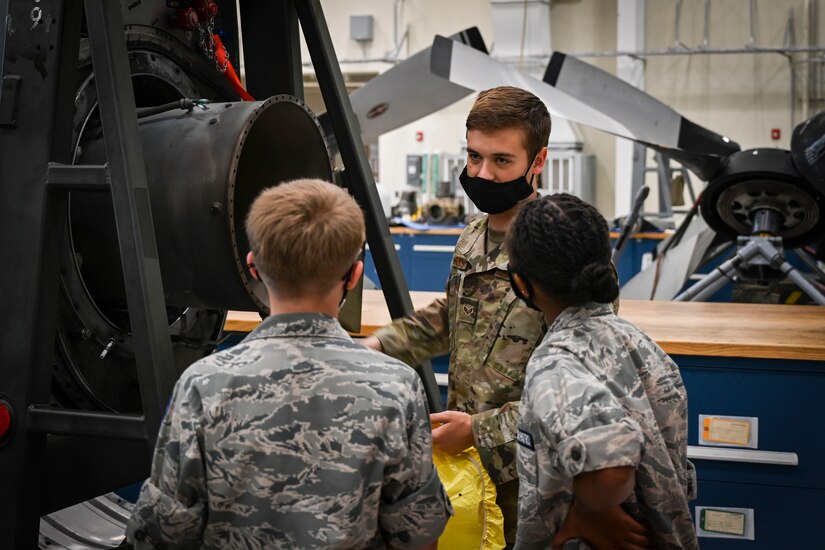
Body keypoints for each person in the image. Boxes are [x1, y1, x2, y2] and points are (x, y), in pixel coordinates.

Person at [126, 179, 451, 549]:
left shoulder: (202, 384)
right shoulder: (396, 386)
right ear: (355, 275)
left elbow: (163, 532)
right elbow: (419, 533)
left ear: (253, 267)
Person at [364, 86, 551, 545]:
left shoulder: (559, 247)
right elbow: (453, 316)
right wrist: (376, 349)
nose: (482, 174)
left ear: (538, 161)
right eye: (473, 157)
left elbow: (580, 395)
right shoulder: (473, 235)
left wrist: (479, 431)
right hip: (468, 471)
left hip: (534, 476)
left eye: (501, 161)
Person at [506, 193, 698, 550]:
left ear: (521, 283)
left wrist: (586, 512)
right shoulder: (639, 343)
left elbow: (611, 468)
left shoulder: (555, 366)